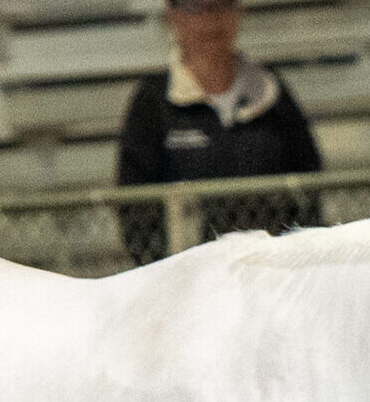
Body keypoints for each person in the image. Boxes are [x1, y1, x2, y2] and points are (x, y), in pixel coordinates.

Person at [114, 0, 322, 264]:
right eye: (196, 8)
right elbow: (134, 207)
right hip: (190, 279)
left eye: (221, 6)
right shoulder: (153, 103)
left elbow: (310, 186)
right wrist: (164, 273)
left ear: (238, 11)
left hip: (269, 273)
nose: (210, 21)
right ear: (172, 16)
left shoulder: (271, 94)